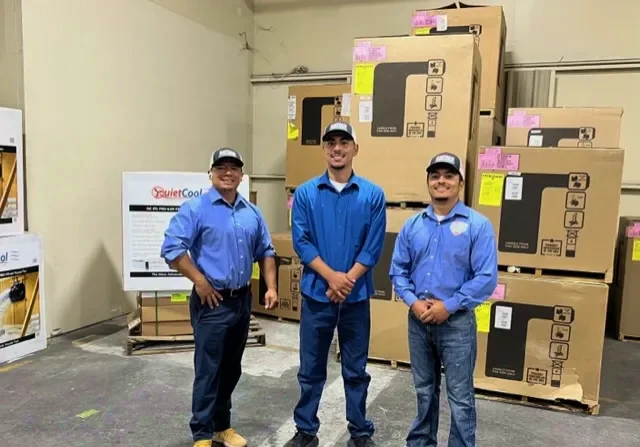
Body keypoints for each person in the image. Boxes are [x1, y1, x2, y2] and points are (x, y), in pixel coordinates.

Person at [160, 147, 278, 447]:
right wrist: (199, 281)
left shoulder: (251, 213)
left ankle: (221, 426)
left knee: (231, 368)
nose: (228, 173)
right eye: (221, 167)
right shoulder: (196, 209)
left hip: (241, 301)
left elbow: (266, 251)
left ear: (241, 174)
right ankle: (202, 433)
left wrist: (271, 287)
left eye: (233, 168)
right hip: (211, 302)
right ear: (210, 173)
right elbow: (172, 249)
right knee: (208, 369)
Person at [285, 122, 387, 447]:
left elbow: (373, 246)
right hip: (318, 295)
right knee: (311, 368)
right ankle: (306, 430)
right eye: (331, 142)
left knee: (356, 369)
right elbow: (302, 242)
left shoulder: (372, 195)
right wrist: (332, 277)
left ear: (355, 148)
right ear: (324, 149)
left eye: (344, 142)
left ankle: (359, 432)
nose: (337, 148)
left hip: (355, 298)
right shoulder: (305, 194)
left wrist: (347, 279)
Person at [389, 152, 498, 447]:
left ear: (460, 182)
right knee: (424, 390)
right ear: (428, 182)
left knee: (460, 396)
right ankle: (421, 442)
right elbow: (398, 270)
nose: (441, 181)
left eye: (449, 176)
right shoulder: (413, 226)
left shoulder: (478, 226)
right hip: (418, 321)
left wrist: (448, 306)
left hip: (456, 325)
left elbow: (486, 278)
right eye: (435, 175)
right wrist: (413, 301)